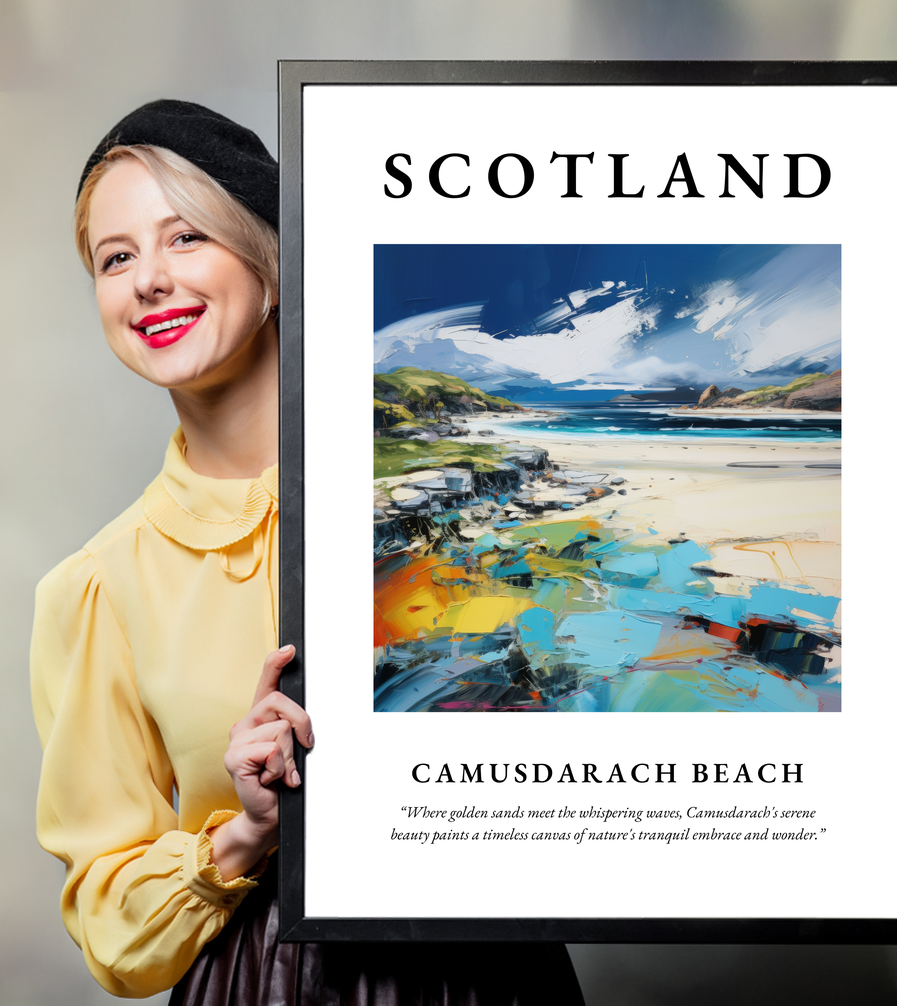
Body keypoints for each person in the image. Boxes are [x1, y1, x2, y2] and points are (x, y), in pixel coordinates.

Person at [30, 100, 585, 1004]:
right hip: (264, 981)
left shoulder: (437, 506)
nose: (148, 281)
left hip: (494, 973)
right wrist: (245, 832)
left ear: (273, 264)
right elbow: (110, 924)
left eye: (185, 239)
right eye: (116, 257)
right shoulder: (97, 586)